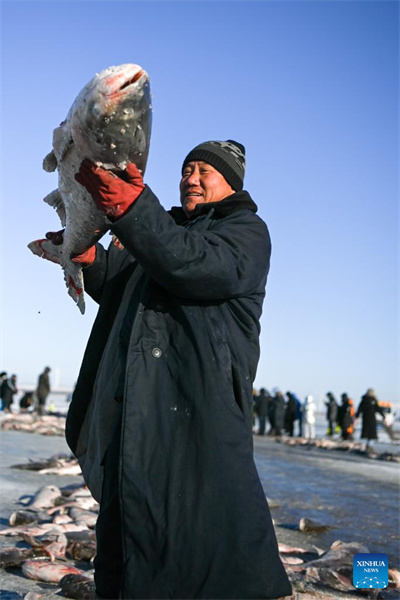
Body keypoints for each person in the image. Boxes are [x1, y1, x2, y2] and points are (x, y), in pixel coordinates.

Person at [43, 140, 292, 599]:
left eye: (204, 171)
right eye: (185, 169)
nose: (190, 178)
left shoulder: (245, 231)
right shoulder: (161, 232)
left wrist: (135, 208)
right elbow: (123, 283)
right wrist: (88, 259)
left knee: (208, 528)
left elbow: (192, 266)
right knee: (129, 519)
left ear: (230, 183)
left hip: (198, 406)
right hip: (135, 406)